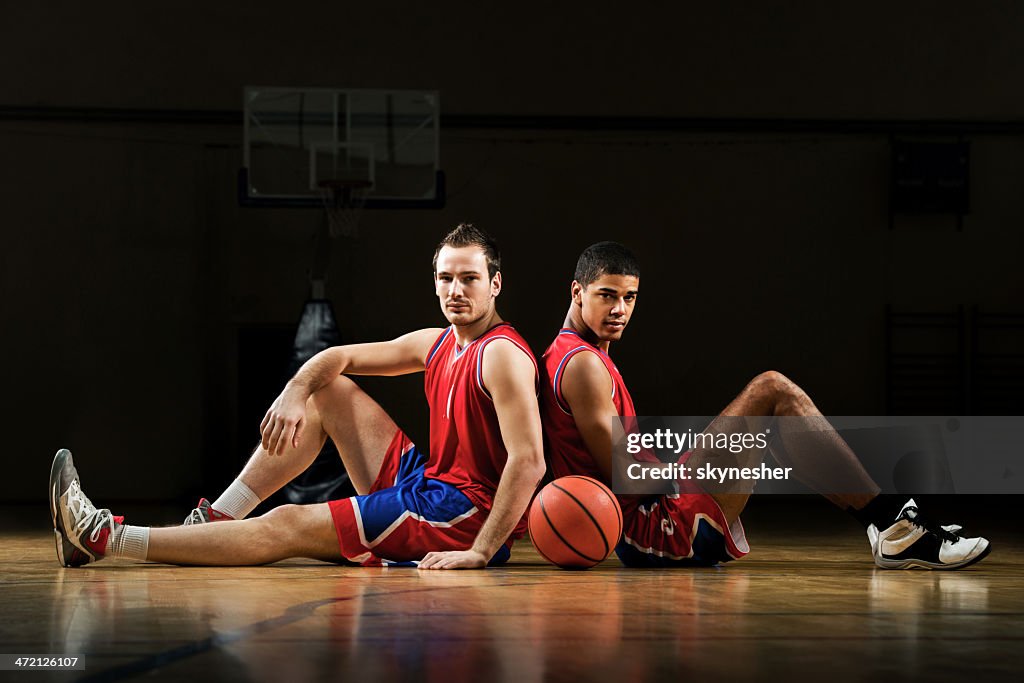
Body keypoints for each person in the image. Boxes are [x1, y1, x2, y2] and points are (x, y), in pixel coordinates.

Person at [51, 223, 545, 570]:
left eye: (470, 278)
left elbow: (528, 462)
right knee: (328, 389)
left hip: (458, 516)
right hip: (432, 482)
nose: (455, 289)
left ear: (495, 284)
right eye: (446, 278)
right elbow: (339, 357)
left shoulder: (501, 355)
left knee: (288, 522)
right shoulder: (438, 342)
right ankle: (217, 518)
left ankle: (102, 539)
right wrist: (294, 390)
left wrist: (480, 551)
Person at [539, 241, 990, 570]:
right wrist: (688, 458)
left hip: (652, 518)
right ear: (576, 291)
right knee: (771, 391)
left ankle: (891, 526)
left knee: (772, 419)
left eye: (630, 297)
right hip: (657, 530)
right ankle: (895, 528)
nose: (620, 309)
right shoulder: (582, 365)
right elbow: (627, 478)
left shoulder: (571, 355)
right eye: (607, 295)